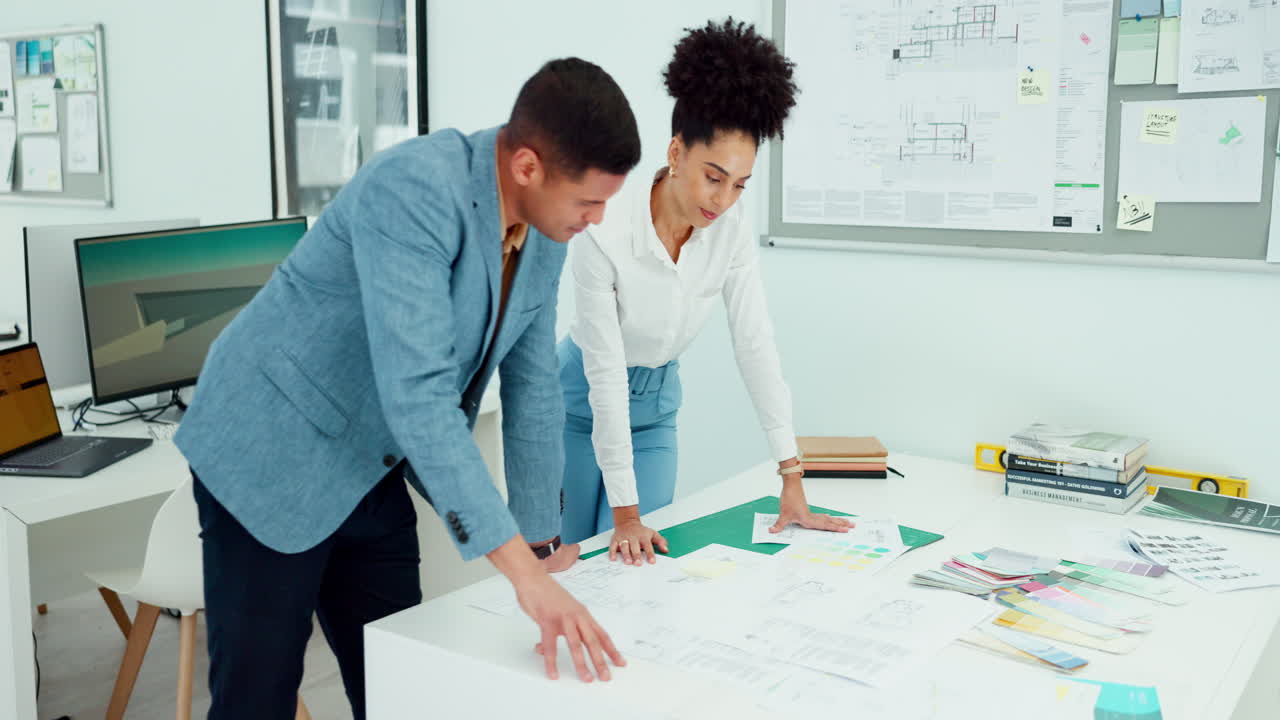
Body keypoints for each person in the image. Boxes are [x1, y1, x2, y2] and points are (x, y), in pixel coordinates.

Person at [174, 58, 640, 719]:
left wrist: (541, 545)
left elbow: (533, 383)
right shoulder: (414, 187)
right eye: (588, 201)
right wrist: (524, 579)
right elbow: (418, 393)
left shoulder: (547, 229)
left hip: (370, 458)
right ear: (528, 167)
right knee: (258, 697)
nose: (596, 219)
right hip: (272, 450)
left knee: (400, 681)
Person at [558, 19, 852, 563]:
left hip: (655, 411)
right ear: (676, 153)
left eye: (740, 184)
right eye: (713, 177)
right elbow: (603, 373)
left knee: (638, 570)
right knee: (573, 561)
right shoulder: (605, 228)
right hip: (576, 407)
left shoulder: (730, 232)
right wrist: (624, 515)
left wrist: (791, 476)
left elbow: (755, 344)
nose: (724, 200)